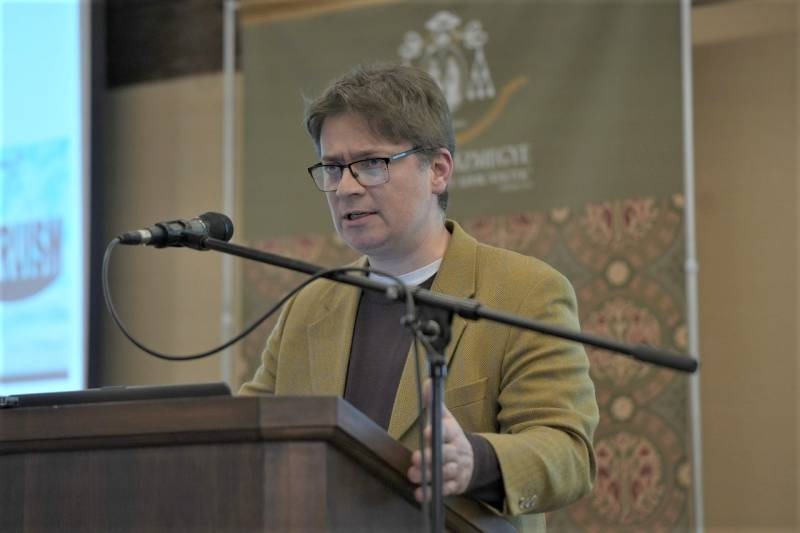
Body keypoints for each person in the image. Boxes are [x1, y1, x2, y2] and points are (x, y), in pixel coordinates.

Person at [239, 64, 598, 531]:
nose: (346, 188)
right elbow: (244, 436)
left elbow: (569, 452)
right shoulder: (309, 305)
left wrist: (475, 460)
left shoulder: (525, 291)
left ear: (438, 171)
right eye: (332, 167)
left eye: (372, 164)